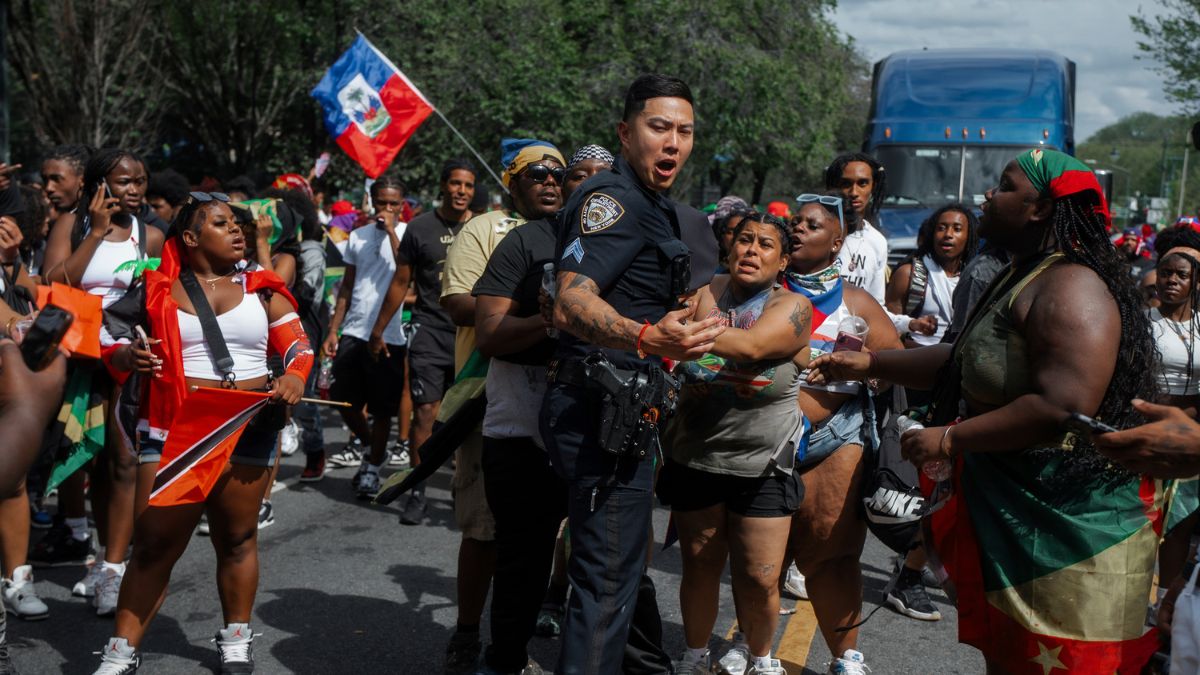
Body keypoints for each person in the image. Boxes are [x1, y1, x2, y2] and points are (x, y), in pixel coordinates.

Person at [808, 149, 1161, 673]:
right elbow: (963, 357)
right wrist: (865, 363)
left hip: (1065, 527)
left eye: (1004, 186)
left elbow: (1063, 404)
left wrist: (950, 440)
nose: (987, 196)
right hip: (1016, 510)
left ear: (1040, 208)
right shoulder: (1024, 274)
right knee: (1010, 655)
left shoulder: (1071, 285)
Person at [541, 73, 725, 675]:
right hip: (600, 412)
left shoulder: (659, 209)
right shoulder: (611, 201)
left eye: (685, 131)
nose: (673, 143)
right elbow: (571, 301)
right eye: (658, 127)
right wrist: (646, 336)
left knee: (616, 575)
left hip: (631, 413)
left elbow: (679, 305)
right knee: (604, 583)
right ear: (625, 132)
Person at [92, 191, 310, 674]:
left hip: (247, 423)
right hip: (174, 429)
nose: (237, 230)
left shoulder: (263, 286)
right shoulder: (153, 288)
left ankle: (236, 636)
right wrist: (129, 357)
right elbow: (108, 338)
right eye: (221, 223)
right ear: (190, 238)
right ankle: (120, 653)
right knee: (152, 545)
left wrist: (293, 376)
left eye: (237, 223)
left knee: (237, 538)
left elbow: (297, 345)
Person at [660, 212, 811, 675]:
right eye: (744, 240)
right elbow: (673, 350)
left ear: (783, 260)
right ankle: (694, 655)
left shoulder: (792, 306)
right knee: (700, 566)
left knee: (760, 576)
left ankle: (762, 659)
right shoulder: (705, 291)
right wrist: (690, 360)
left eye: (766, 244)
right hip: (698, 453)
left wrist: (693, 348)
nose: (752, 250)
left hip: (763, 462)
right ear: (729, 247)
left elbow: (750, 347)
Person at [437, 140, 563, 674]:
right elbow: (455, 301)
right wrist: (517, 301)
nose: (550, 182)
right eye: (536, 174)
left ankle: (520, 634)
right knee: (486, 530)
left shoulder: (578, 231)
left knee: (550, 536)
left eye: (559, 173)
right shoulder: (485, 229)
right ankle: (468, 634)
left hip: (559, 400)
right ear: (512, 183)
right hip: (487, 395)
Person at [34, 149, 164, 619]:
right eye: (124, 182)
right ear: (99, 185)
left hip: (127, 359)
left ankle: (113, 569)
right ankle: (101, 554)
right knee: (95, 461)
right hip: (78, 358)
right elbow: (53, 282)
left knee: (125, 459)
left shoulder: (150, 236)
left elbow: (158, 297)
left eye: (141, 181)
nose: (135, 190)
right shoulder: (73, 225)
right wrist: (93, 232)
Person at [780, 192, 902, 674]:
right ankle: (755, 650)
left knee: (831, 556)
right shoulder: (758, 291)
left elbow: (892, 365)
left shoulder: (856, 301)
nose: (798, 229)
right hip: (759, 439)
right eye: (794, 223)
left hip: (834, 440)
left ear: (837, 244)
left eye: (811, 225)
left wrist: (860, 366)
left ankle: (845, 659)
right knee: (758, 557)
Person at [369, 159, 477, 524]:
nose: (462, 191)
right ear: (443, 186)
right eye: (456, 184)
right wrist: (379, 328)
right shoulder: (419, 228)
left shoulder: (482, 228)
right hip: (429, 330)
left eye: (468, 185)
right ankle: (417, 489)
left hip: (470, 335)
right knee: (426, 412)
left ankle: (463, 487)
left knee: (463, 418)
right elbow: (401, 282)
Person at [320, 176, 410, 500]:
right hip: (355, 330)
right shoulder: (356, 237)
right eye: (381, 202)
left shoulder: (406, 235)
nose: (387, 209)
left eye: (393, 203)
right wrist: (334, 329)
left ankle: (372, 467)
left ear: (402, 205)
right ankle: (373, 444)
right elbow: (347, 285)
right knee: (341, 398)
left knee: (383, 408)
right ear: (372, 202)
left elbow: (405, 271)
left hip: (390, 335)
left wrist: (389, 231)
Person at [885, 204, 977, 348]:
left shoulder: (973, 279)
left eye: (957, 229)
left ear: (969, 236)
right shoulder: (907, 274)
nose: (948, 234)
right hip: (913, 363)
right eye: (941, 228)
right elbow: (886, 329)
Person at [825, 153, 889, 303]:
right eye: (846, 184)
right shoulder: (818, 232)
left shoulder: (878, 241)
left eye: (862, 183)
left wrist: (909, 323)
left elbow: (877, 303)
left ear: (873, 187)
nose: (854, 192)